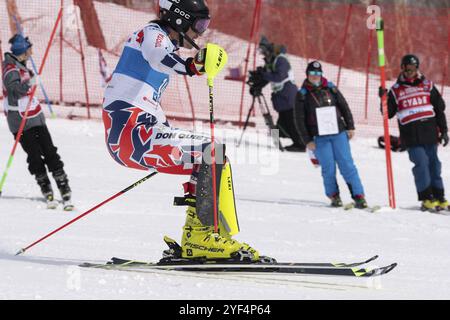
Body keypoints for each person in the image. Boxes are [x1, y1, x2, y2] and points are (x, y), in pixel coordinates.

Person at [101, 0, 260, 261]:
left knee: (215, 157)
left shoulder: (163, 45)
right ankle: (201, 239)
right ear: (179, 18)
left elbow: (150, 103)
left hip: (140, 133)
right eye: (199, 24)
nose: (201, 32)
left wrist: (168, 134)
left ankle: (212, 236)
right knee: (211, 152)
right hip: (131, 135)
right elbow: (159, 56)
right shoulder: (151, 34)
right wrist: (192, 65)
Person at [2, 34, 72, 210]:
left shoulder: (21, 65)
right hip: (20, 121)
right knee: (34, 156)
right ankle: (45, 186)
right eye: (29, 48)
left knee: (49, 151)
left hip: (35, 117)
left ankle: (63, 185)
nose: (32, 51)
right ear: (23, 51)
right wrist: (31, 83)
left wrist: (31, 80)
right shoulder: (10, 69)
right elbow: (14, 90)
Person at [294, 61, 368, 208]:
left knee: (347, 165)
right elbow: (299, 119)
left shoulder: (331, 88)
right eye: (312, 74)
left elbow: (343, 106)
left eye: (318, 73)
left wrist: (350, 126)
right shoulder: (302, 94)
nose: (315, 76)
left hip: (338, 133)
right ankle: (334, 196)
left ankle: (359, 196)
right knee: (328, 168)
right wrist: (307, 140)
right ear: (307, 74)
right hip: (320, 137)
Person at [380, 54, 448, 211]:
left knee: (434, 165)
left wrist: (444, 131)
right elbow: (387, 114)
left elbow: (439, 109)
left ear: (417, 69)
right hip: (411, 136)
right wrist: (383, 99)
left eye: (414, 69)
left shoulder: (427, 85)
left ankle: (439, 196)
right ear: (403, 69)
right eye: (408, 69)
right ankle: (426, 198)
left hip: (430, 133)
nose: (411, 72)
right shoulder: (396, 90)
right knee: (421, 164)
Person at [257, 35, 306, 152]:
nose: (262, 53)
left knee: (291, 122)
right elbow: (268, 77)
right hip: (281, 98)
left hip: (288, 97)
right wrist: (257, 84)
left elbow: (279, 76)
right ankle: (277, 142)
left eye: (263, 51)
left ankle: (300, 145)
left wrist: (263, 74)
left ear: (268, 49)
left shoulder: (281, 59)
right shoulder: (271, 60)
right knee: (281, 123)